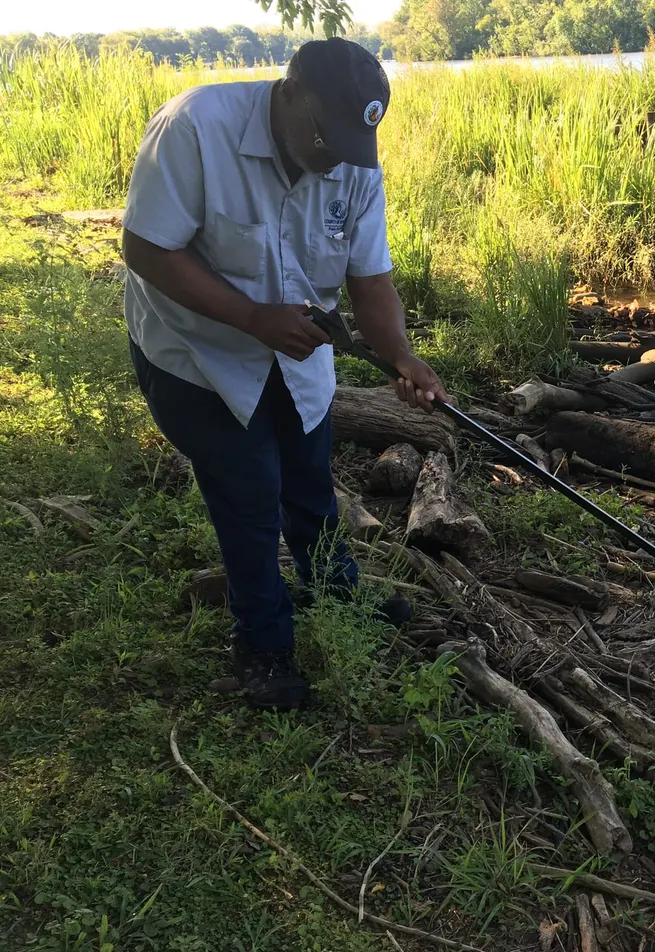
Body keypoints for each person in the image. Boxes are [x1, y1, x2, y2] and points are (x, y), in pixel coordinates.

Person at [120, 38, 447, 711]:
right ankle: (263, 647)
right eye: (324, 140)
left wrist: (402, 357)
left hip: (296, 353)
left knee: (306, 473)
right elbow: (146, 248)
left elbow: (371, 279)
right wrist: (250, 317)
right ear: (291, 93)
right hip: (195, 356)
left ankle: (334, 589)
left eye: (349, 149)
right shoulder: (194, 130)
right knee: (248, 491)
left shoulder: (351, 159)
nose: (335, 161)